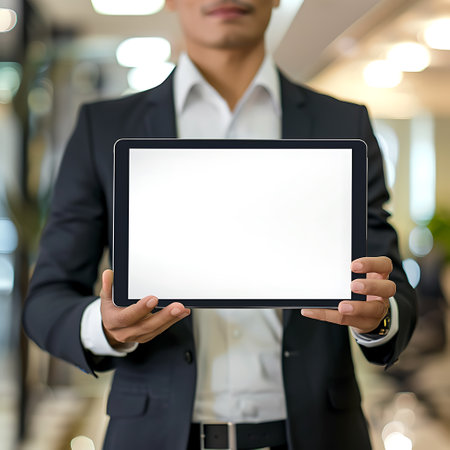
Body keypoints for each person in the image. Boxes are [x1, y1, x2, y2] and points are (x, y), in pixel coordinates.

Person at [23, 0, 417, 449]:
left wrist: (377, 317)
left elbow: (393, 287)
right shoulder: (105, 127)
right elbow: (47, 301)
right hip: (156, 436)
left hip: (316, 434)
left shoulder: (343, 123)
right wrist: (105, 326)